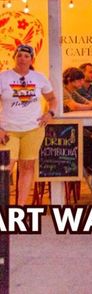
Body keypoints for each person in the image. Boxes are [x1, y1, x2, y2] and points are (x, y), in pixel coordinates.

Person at [0, 45, 58, 205]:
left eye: (26, 56)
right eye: (19, 55)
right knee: (5, 167)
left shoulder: (39, 78)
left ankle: (20, 206)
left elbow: (52, 99)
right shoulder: (3, 77)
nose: (22, 59)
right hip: (8, 130)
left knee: (27, 166)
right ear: (14, 57)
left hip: (33, 129)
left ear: (32, 59)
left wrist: (50, 113)